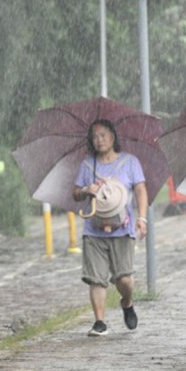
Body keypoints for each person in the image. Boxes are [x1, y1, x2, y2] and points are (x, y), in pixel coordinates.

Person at [73, 119, 148, 337]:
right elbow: (75, 193)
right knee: (96, 278)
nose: (99, 140)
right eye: (95, 137)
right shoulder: (87, 166)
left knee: (123, 278)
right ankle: (99, 321)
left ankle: (127, 301)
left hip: (122, 230)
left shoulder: (130, 162)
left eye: (103, 135)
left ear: (112, 137)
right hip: (93, 229)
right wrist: (88, 189)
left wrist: (142, 219)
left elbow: (141, 190)